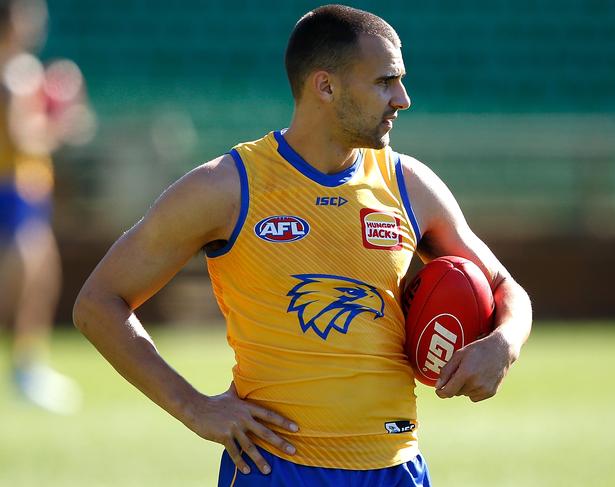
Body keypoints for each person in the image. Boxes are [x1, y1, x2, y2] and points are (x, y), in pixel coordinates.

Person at [73, 4, 532, 486]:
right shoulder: (227, 187)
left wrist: (503, 342)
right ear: (326, 86)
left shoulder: (410, 184)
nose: (403, 98)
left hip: (396, 467)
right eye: (384, 81)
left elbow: (506, 289)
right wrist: (193, 407)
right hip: (275, 469)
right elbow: (97, 304)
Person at [1, 0, 85, 414]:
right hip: (11, 191)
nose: (37, 23)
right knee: (26, 282)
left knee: (41, 278)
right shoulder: (15, 74)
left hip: (28, 191)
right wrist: (63, 120)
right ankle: (26, 370)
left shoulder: (24, 71)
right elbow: (25, 139)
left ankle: (28, 368)